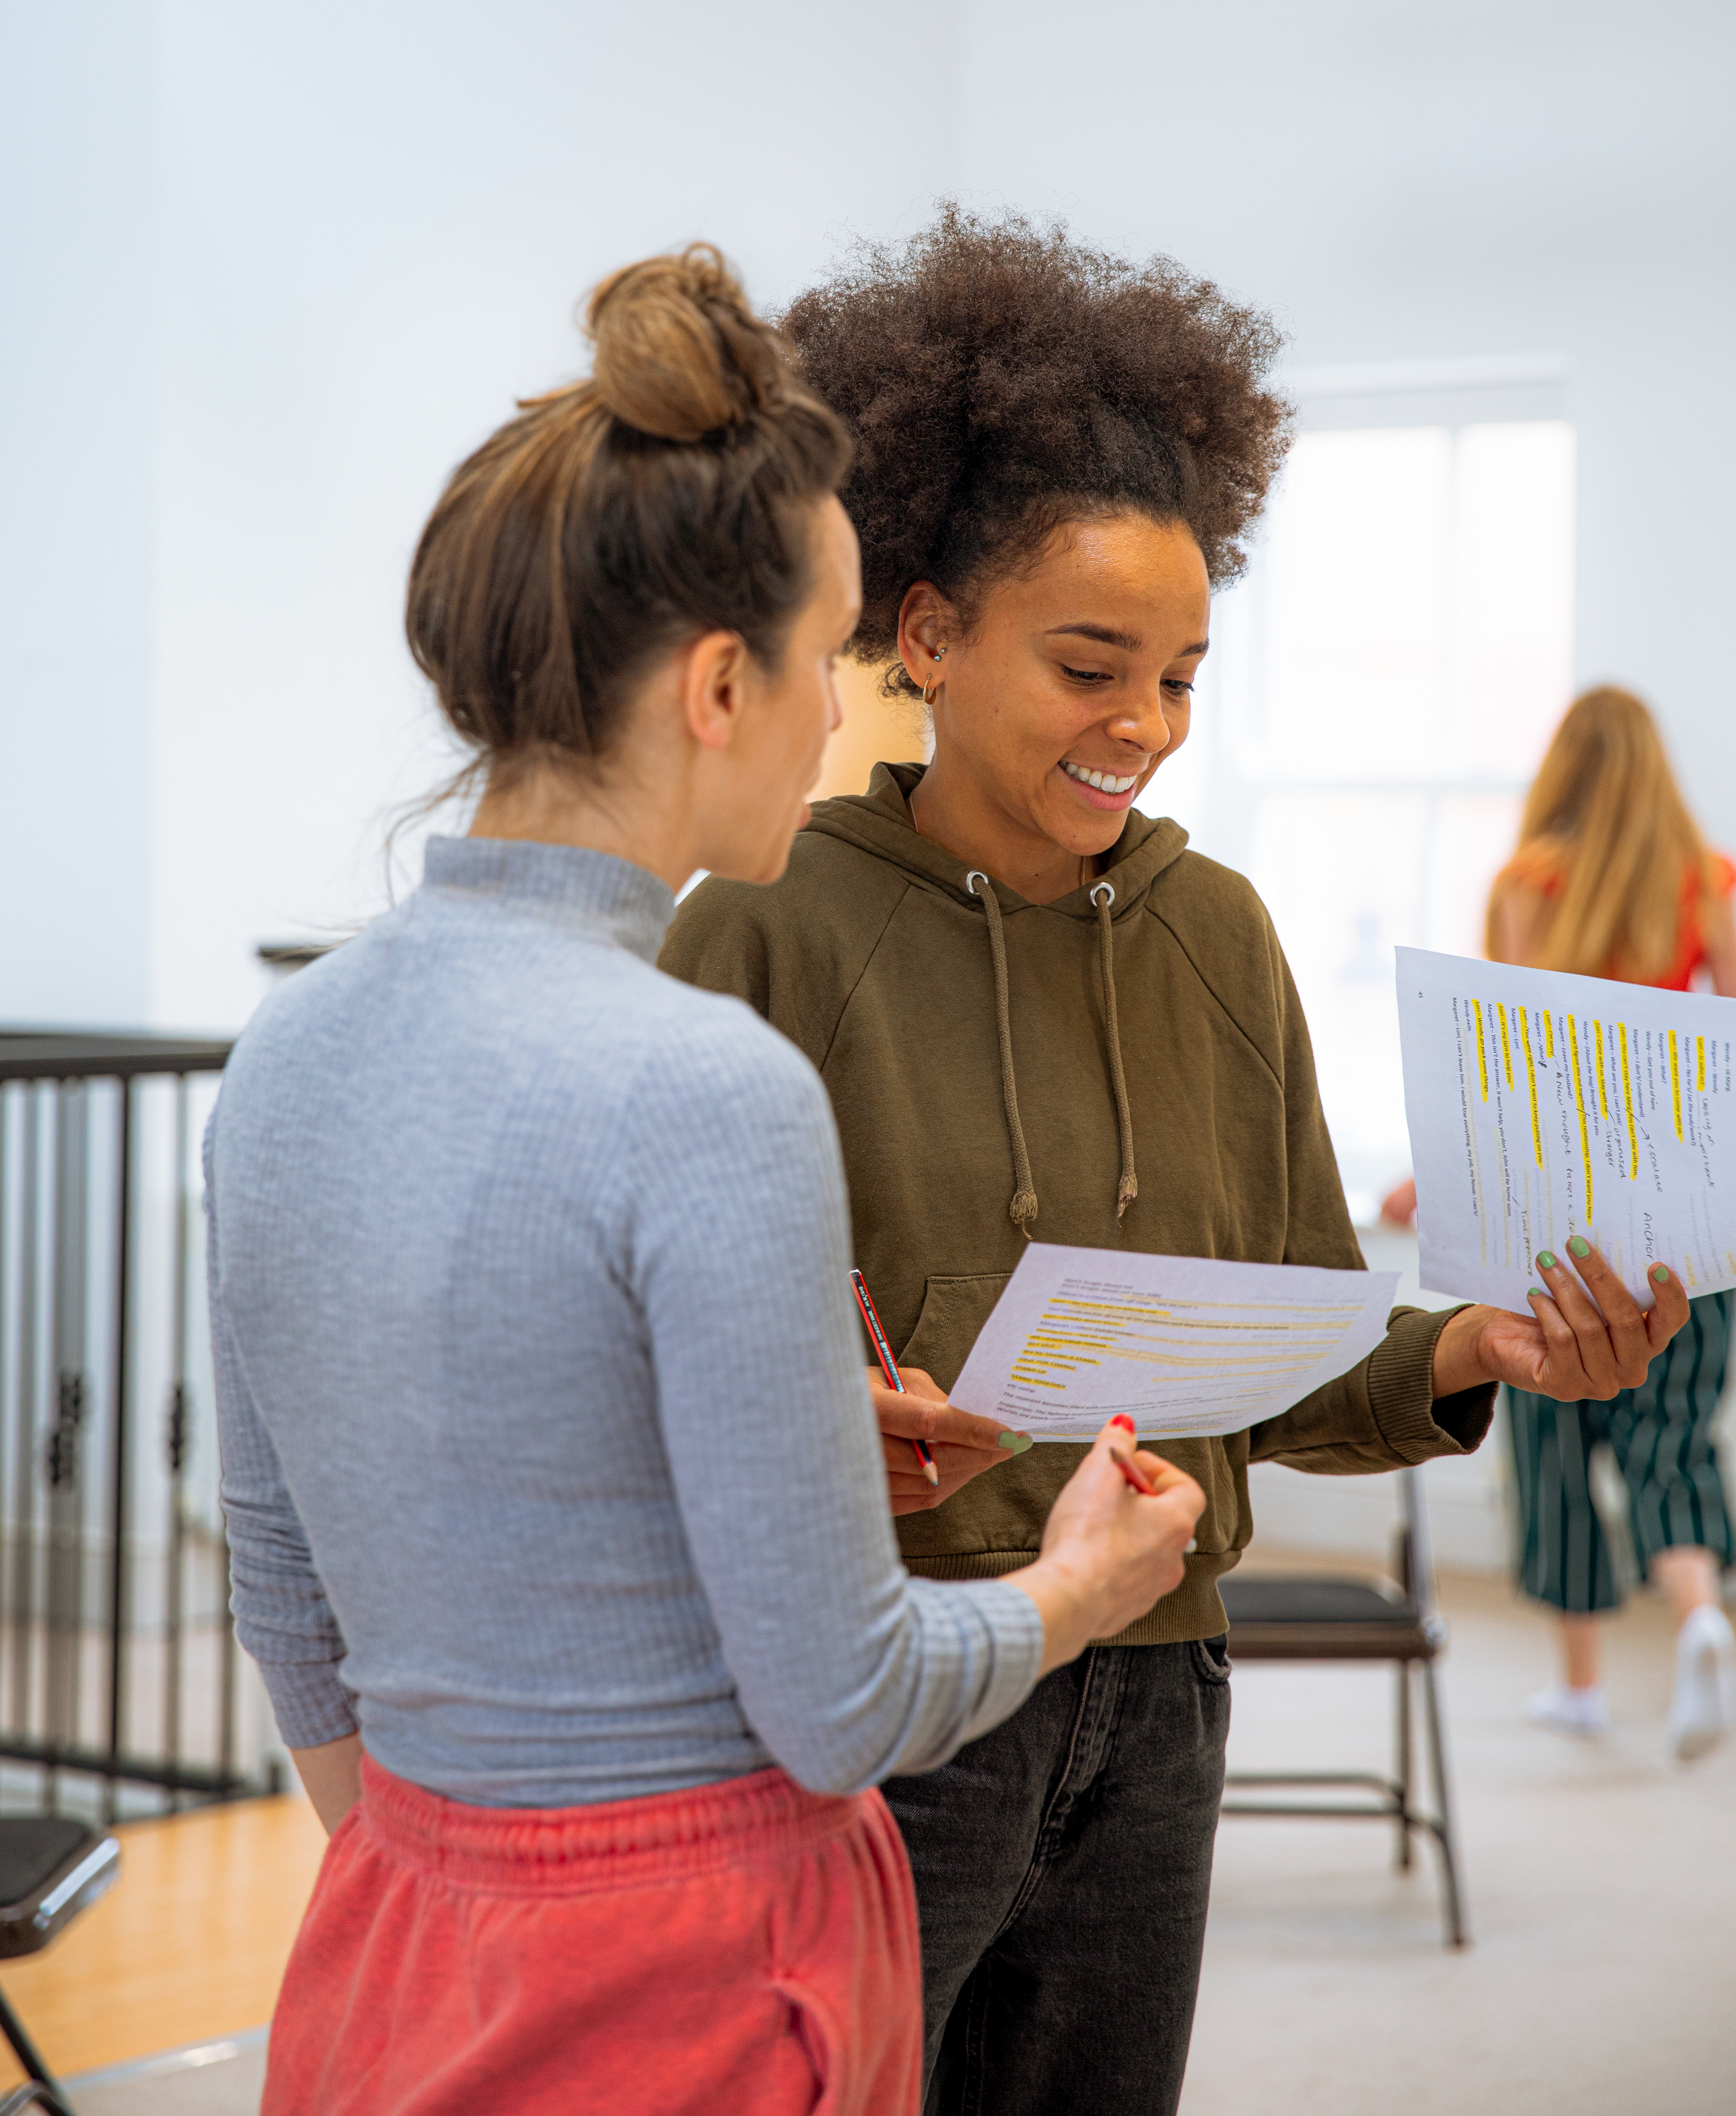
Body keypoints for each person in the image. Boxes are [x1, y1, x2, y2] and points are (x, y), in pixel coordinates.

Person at [660, 210, 1691, 2116]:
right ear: (929, 632)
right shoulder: (770, 926)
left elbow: (1298, 1343)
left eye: (1185, 673)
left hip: (1162, 1675)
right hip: (900, 1683)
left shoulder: (1219, 932)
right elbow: (662, 1360)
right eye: (1088, 663)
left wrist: (1485, 1352)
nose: (1143, 723)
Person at [207, 245, 1208, 2116]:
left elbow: (287, 1594)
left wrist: (460, 1868)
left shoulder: (287, 1053)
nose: (848, 716)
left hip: (397, 1938)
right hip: (698, 1975)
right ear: (722, 683)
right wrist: (1082, 1582)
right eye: (832, 655)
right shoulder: (708, 1090)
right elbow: (851, 1702)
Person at [1485, 686, 1736, 1758]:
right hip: (1687, 1216)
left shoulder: (1527, 885)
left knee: (1552, 1437)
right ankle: (1701, 1616)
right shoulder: (1712, 883)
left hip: (1560, 1213)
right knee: (1670, 1437)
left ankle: (1581, 1688)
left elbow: (1493, 1058)